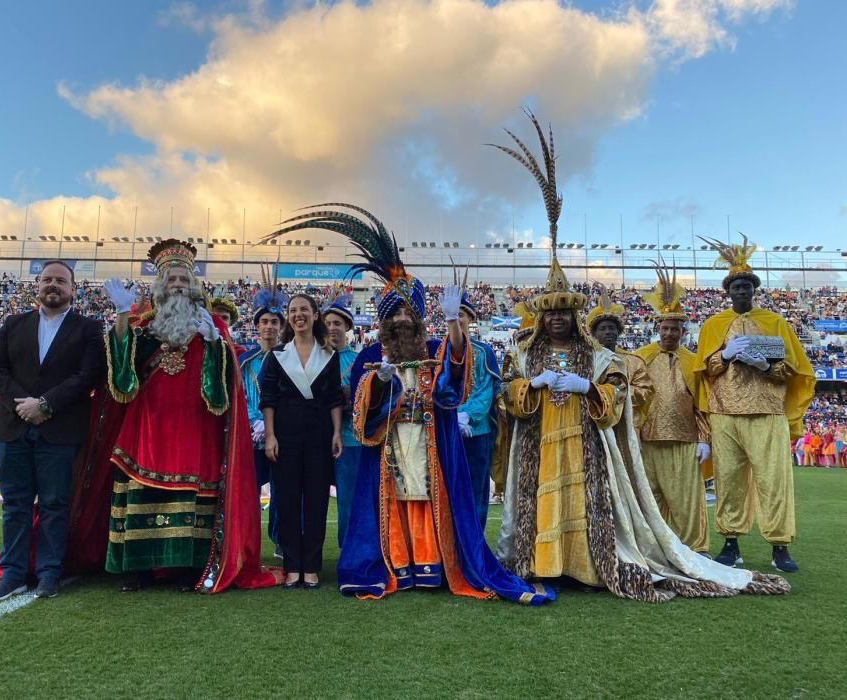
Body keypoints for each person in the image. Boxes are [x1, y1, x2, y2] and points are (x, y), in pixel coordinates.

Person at [494, 110, 788, 600]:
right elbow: (508, 398)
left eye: (566, 314)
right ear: (543, 318)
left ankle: (585, 565)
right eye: (552, 315)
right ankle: (541, 562)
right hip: (539, 448)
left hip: (589, 450)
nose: (559, 321)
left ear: (574, 317)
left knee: (590, 505)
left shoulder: (602, 359)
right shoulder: (524, 355)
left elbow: (617, 397)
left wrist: (589, 387)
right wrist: (532, 385)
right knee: (539, 501)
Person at [264, 203, 552, 605]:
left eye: (407, 311)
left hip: (431, 441)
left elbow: (453, 381)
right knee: (396, 500)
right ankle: (397, 564)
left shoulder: (435, 346)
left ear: (419, 316)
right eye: (394, 312)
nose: (401, 318)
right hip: (390, 444)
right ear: (382, 319)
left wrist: (453, 324)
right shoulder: (370, 354)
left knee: (430, 497)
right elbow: (361, 402)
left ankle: (432, 566)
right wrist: (378, 385)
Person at [102, 240, 279, 593]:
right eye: (172, 279)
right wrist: (122, 314)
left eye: (184, 279)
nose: (179, 284)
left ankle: (187, 569)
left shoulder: (211, 323)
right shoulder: (142, 321)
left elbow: (227, 383)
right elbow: (123, 375)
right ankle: (137, 569)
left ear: (194, 284)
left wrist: (215, 342)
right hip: (148, 425)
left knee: (195, 497)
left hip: (195, 427)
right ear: (161, 285)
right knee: (142, 492)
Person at [0, 260, 105, 600]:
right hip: (13, 426)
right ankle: (13, 574)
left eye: (61, 281)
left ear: (73, 289)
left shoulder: (89, 329)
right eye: (47, 279)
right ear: (37, 285)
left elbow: (88, 375)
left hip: (60, 429)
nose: (53, 285)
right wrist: (24, 404)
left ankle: (50, 572)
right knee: (15, 504)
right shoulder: (13, 324)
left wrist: (46, 404)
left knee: (55, 504)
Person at [695, 234, 816, 573]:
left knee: (773, 479)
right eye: (736, 287)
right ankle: (731, 544)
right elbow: (703, 370)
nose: (742, 292)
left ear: (754, 290)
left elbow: (792, 370)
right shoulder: (713, 325)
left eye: (747, 286)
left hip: (767, 410)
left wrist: (766, 365)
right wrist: (724, 355)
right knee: (729, 480)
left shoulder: (774, 323)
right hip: (725, 412)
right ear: (727, 292)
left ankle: (780, 545)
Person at [259, 293, 344, 589]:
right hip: (285, 431)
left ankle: (311, 565)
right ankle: (292, 564)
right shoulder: (277, 354)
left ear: (315, 314)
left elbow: (334, 398)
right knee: (288, 498)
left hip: (320, 432)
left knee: (318, 500)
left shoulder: (329, 354)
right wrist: (270, 435)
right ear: (288, 316)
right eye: (293, 310)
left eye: (304, 309)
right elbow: (267, 398)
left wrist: (336, 432)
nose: (299, 315)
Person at [633, 263, 711, 554]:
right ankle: (649, 547)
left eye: (674, 329)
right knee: (647, 498)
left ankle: (695, 548)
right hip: (648, 438)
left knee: (687, 498)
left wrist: (705, 439)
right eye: (664, 328)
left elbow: (703, 402)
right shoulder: (640, 357)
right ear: (657, 328)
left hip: (685, 438)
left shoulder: (693, 360)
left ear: (682, 331)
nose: (669, 333)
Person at [239, 267, 288, 555]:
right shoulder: (245, 360)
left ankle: (281, 541)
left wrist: (274, 425)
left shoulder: (289, 357)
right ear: (257, 326)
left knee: (282, 492)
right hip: (251, 436)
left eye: (274, 322)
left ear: (281, 326)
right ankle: (248, 542)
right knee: (250, 491)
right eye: (265, 321)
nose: (269, 326)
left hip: (280, 435)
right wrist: (254, 421)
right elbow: (241, 396)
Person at [456, 289, 501, 530]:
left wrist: (466, 415)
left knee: (476, 490)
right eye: (453, 314)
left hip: (477, 431)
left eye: (461, 314)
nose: (457, 318)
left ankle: (475, 547)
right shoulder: (435, 351)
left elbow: (487, 389)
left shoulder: (484, 351)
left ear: (471, 318)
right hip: (446, 429)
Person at [321, 289, 361, 547]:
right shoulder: (313, 357)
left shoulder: (359, 361)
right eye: (327, 323)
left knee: (349, 500)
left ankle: (349, 551)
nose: (332, 328)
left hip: (350, 439)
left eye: (337, 323)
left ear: (347, 326)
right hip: (315, 437)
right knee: (311, 500)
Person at [586, 287, 653, 432]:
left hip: (626, 425)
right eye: (602, 329)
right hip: (594, 423)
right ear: (594, 334)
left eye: (611, 328)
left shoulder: (634, 361)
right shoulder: (586, 360)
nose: (608, 331)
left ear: (618, 332)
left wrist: (615, 393)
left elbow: (645, 391)